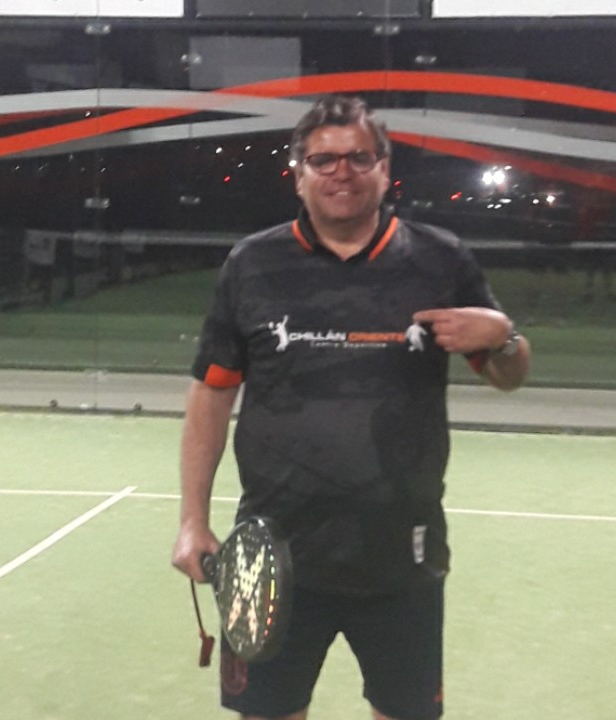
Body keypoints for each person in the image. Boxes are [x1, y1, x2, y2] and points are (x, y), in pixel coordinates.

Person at [172, 95, 530, 720]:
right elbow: (212, 392)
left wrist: (503, 336)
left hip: (402, 556)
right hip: (272, 555)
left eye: (359, 157)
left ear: (384, 170)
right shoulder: (252, 264)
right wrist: (191, 521)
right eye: (324, 159)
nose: (342, 171)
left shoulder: (440, 258)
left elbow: (509, 375)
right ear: (299, 174)